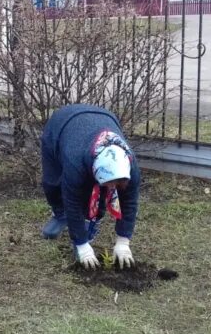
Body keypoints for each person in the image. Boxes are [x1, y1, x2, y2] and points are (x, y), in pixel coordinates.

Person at [40, 104, 140, 269]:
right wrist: (81, 245)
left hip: (103, 119)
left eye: (117, 183)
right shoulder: (75, 162)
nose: (114, 186)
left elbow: (129, 202)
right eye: (109, 182)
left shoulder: (130, 166)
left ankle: (92, 221)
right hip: (60, 126)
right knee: (52, 184)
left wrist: (123, 240)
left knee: (100, 193)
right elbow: (72, 201)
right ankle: (60, 215)